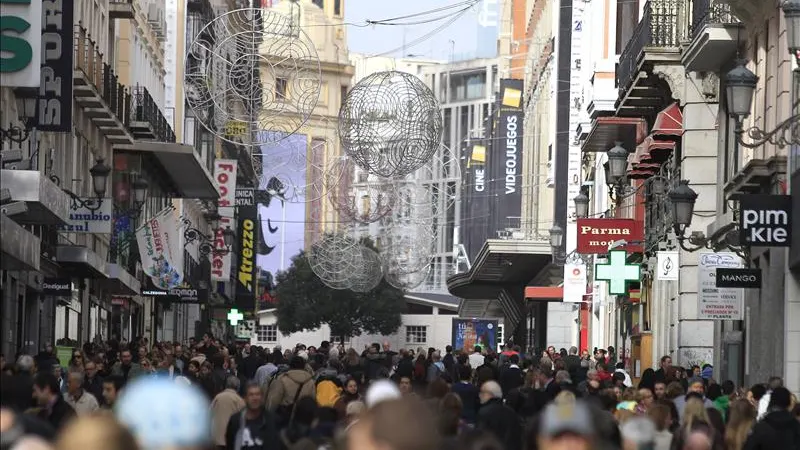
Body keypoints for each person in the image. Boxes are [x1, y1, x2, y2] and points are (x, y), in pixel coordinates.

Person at [265, 356, 315, 427]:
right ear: (304, 366)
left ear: (290, 365)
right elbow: (312, 400)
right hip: (303, 418)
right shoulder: (310, 381)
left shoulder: (282, 379)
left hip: (284, 417)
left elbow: (273, 400)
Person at [477, 380, 522, 450]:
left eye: (482, 392)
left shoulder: (484, 412)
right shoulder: (511, 412)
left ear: (490, 394)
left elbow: (481, 438)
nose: (480, 395)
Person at [211, 376, 246, 449]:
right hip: (231, 439)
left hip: (216, 438)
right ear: (238, 387)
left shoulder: (218, 397)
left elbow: (209, 414)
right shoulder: (239, 400)